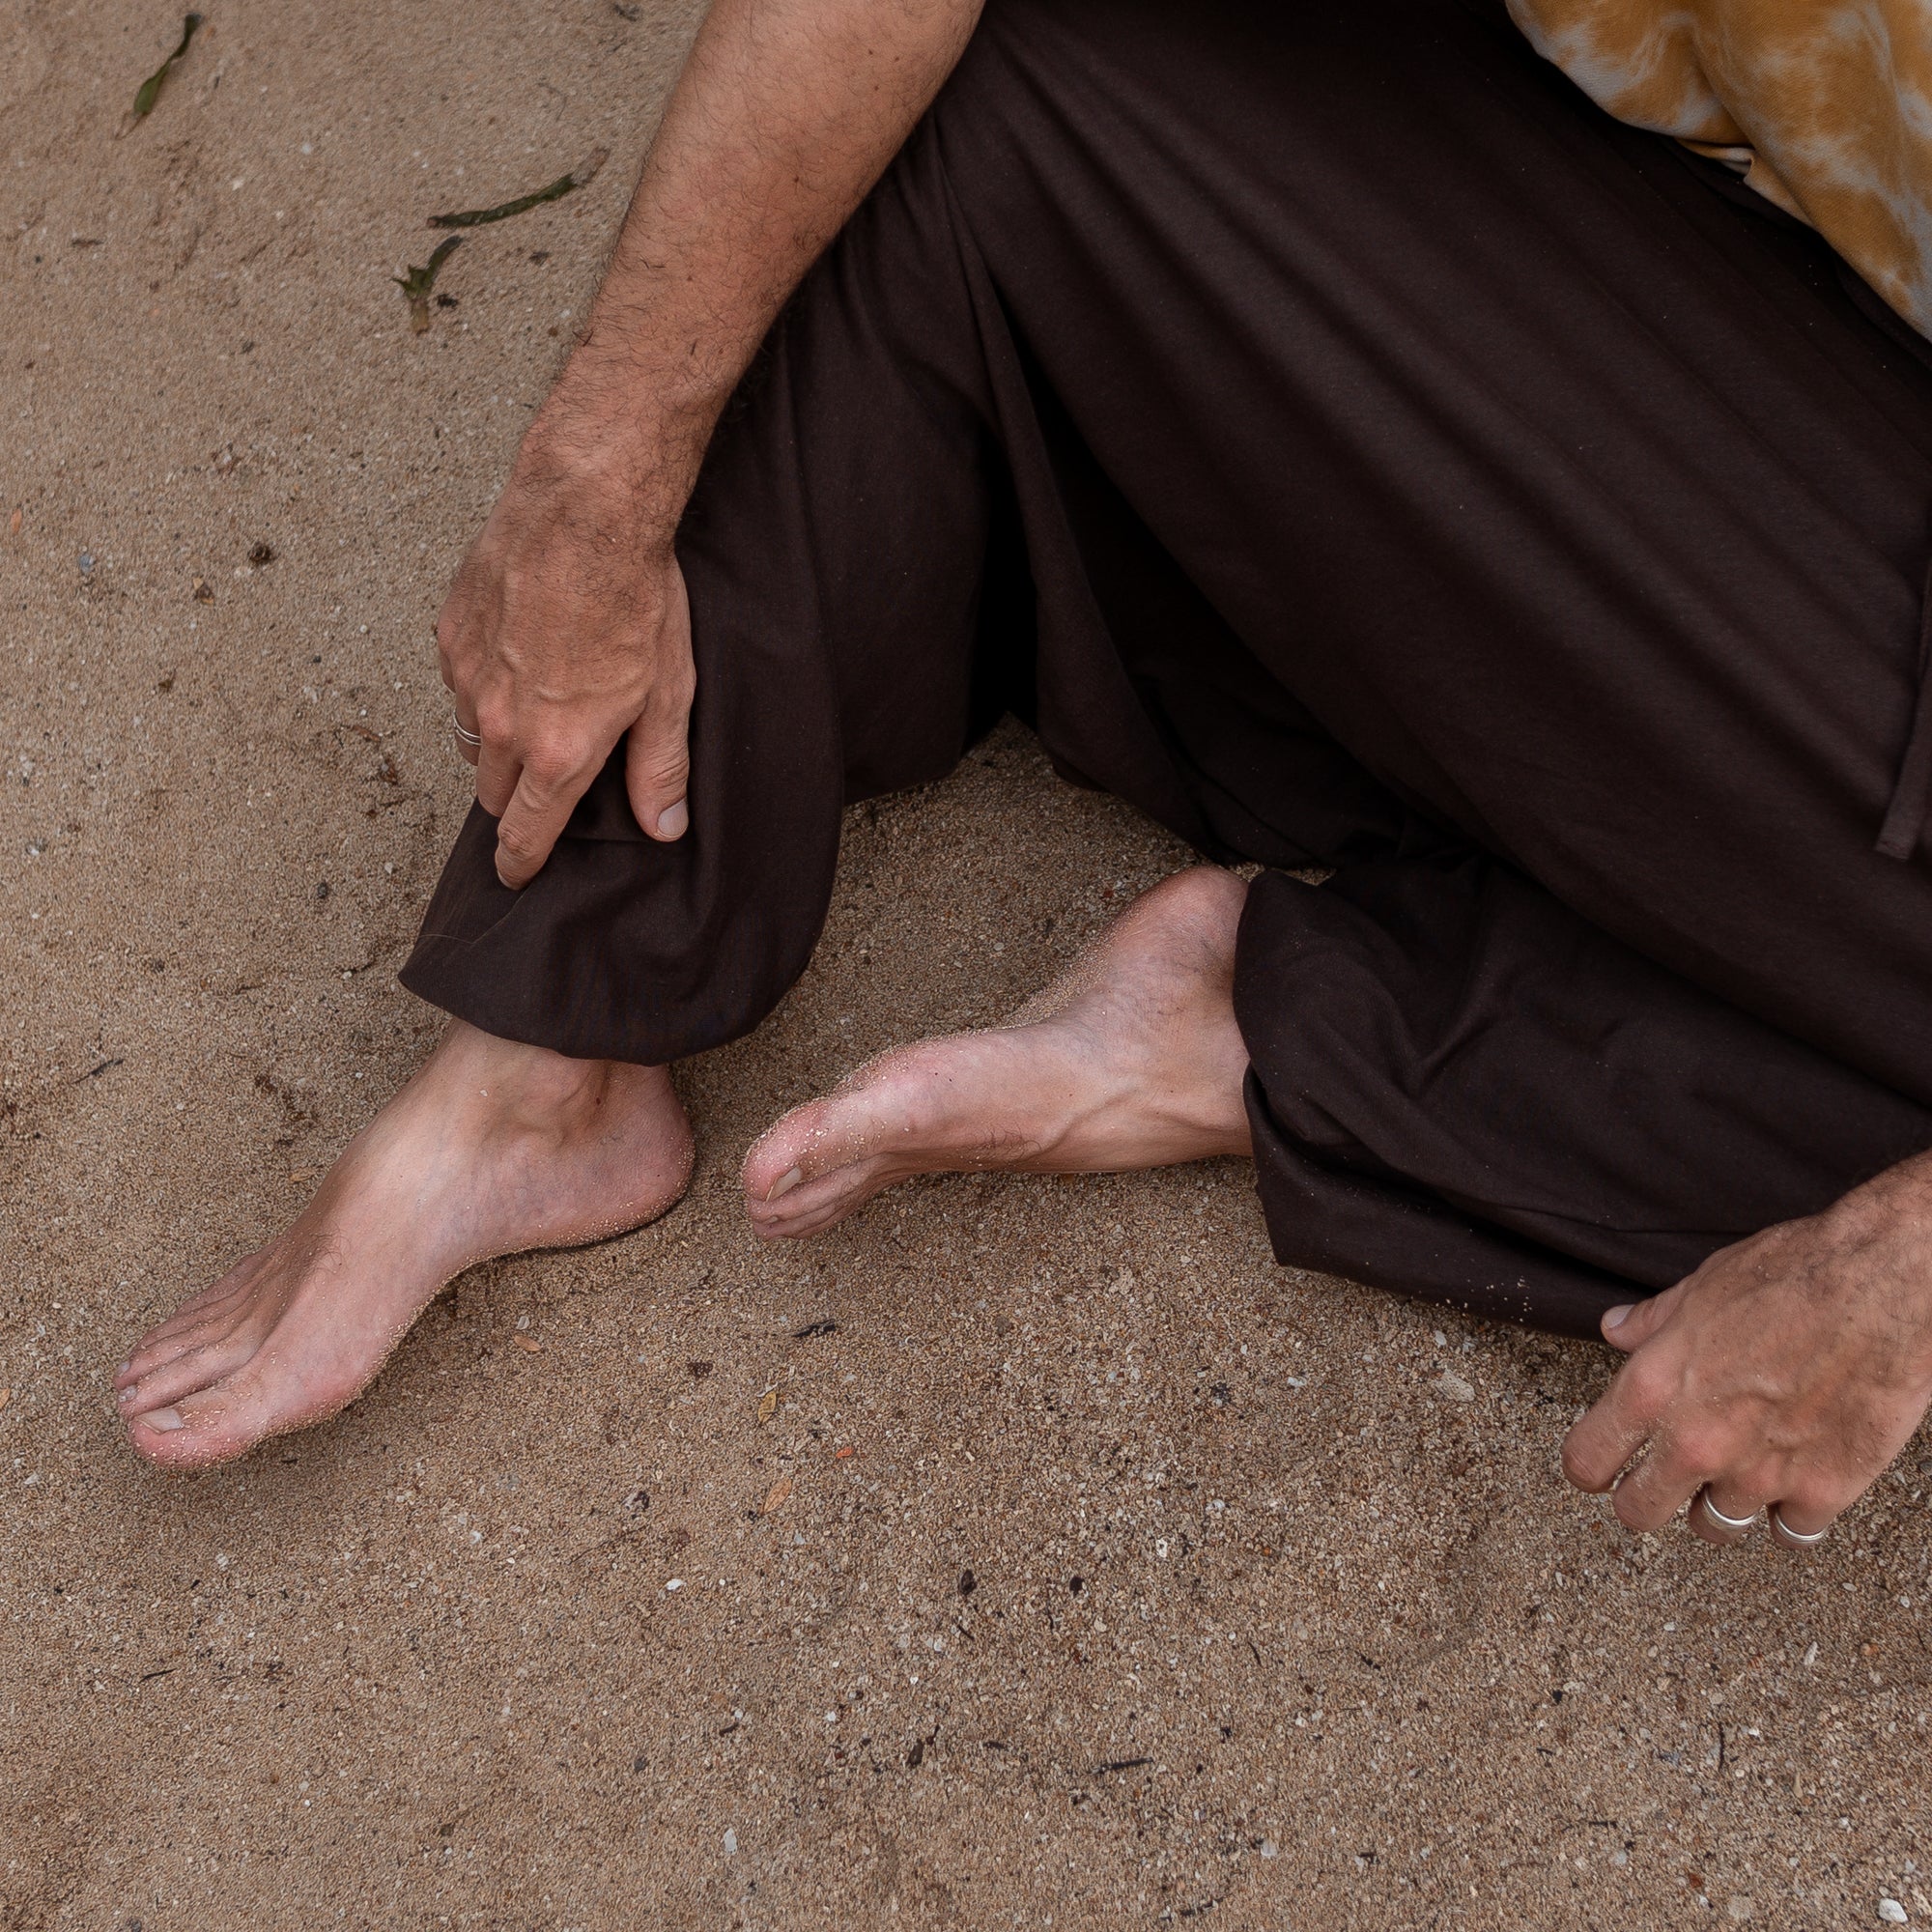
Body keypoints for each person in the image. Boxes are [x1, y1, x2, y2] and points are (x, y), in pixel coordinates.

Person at [113, 0, 1932, 1556]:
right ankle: (553, 1049)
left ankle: (1309, 1029)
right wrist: (594, 484)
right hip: (1755, 295)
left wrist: (1903, 1272)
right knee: (996, 97)